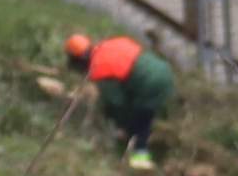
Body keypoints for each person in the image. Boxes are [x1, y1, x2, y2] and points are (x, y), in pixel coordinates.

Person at [61, 30, 177, 161]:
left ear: (79, 61)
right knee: (148, 111)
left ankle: (140, 159)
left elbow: (116, 103)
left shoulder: (99, 69)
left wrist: (121, 125)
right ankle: (163, 128)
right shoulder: (110, 44)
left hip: (149, 84)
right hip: (165, 71)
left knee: (140, 122)